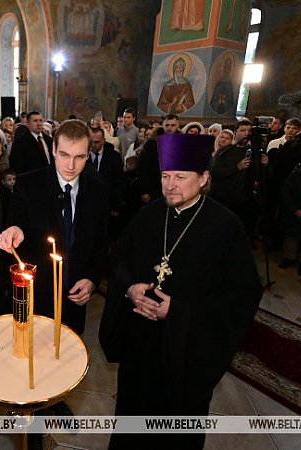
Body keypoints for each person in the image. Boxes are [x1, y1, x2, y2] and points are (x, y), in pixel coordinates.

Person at [99, 133, 262, 450]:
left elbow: (242, 295)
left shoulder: (227, 228)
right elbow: (119, 257)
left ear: (203, 178)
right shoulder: (148, 215)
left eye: (180, 177)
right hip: (140, 346)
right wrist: (130, 288)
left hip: (186, 352)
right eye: (164, 176)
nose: (169, 185)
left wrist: (178, 310)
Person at [0, 119, 110, 335]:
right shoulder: (28, 184)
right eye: (64, 155)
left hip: (75, 296)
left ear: (88, 154)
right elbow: (15, 222)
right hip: (36, 294)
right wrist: (15, 230)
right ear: (53, 150)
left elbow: (100, 241)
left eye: (79, 157)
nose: (71, 166)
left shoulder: (99, 189)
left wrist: (92, 279)